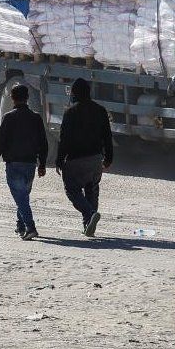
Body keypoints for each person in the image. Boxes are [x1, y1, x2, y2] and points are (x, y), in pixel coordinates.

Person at [55, 78, 112, 238]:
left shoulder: (70, 113)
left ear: (74, 93)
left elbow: (64, 139)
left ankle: (89, 213)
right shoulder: (100, 110)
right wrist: (108, 158)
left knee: (72, 190)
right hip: (95, 159)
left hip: (75, 160)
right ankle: (88, 223)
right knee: (91, 189)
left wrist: (59, 160)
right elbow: (107, 136)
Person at [0, 84, 48, 241]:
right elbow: (43, 143)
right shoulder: (36, 118)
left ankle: (30, 227)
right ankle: (20, 225)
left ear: (12, 98)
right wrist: (42, 164)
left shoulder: (8, 118)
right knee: (23, 196)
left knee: (20, 197)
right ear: (27, 98)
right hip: (30, 164)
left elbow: (0, 140)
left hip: (14, 164)